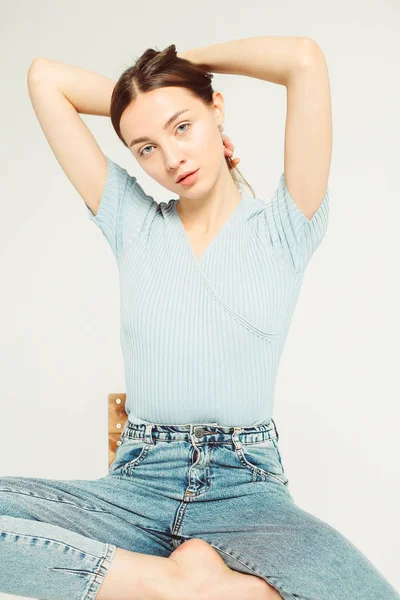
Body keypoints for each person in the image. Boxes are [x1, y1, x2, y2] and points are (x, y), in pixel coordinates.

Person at [1, 38, 399, 600]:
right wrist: (152, 91)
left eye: (182, 126)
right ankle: (170, 585)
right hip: (140, 481)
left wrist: (180, 66)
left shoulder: (284, 228)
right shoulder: (132, 224)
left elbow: (303, 61)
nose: (171, 158)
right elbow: (45, 78)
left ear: (217, 109)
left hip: (248, 492)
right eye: (144, 147)